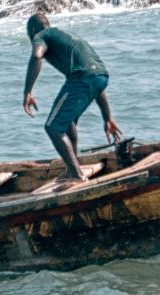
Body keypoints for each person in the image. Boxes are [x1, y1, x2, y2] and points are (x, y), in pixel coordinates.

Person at [22, 11, 122, 182]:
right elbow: (95, 79)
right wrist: (107, 118)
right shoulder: (64, 35)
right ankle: (71, 169)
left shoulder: (41, 35)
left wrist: (28, 91)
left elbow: (36, 55)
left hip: (81, 78)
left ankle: (76, 175)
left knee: (53, 127)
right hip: (100, 76)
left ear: (32, 31)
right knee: (66, 123)